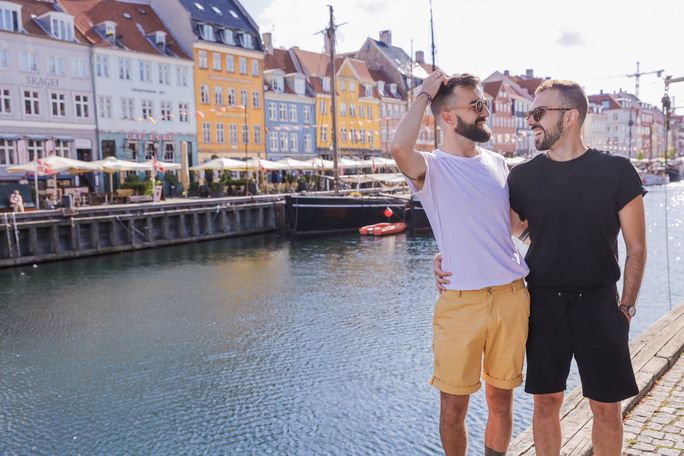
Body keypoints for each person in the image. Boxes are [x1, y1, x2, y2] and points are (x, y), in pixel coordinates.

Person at [435, 79, 647, 455]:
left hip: (600, 303)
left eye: (538, 113)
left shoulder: (617, 171)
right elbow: (494, 228)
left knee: (606, 409)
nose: (530, 121)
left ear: (570, 117)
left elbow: (636, 246)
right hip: (544, 305)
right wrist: (444, 258)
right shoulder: (523, 177)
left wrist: (626, 307)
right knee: (546, 404)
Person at [391, 71, 530, 456]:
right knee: (453, 408)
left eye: (485, 104)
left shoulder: (499, 164)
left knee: (502, 401)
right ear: (448, 118)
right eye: (476, 106)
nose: (484, 112)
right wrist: (424, 94)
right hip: (461, 302)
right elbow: (399, 148)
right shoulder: (430, 168)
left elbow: (514, 228)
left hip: (511, 296)